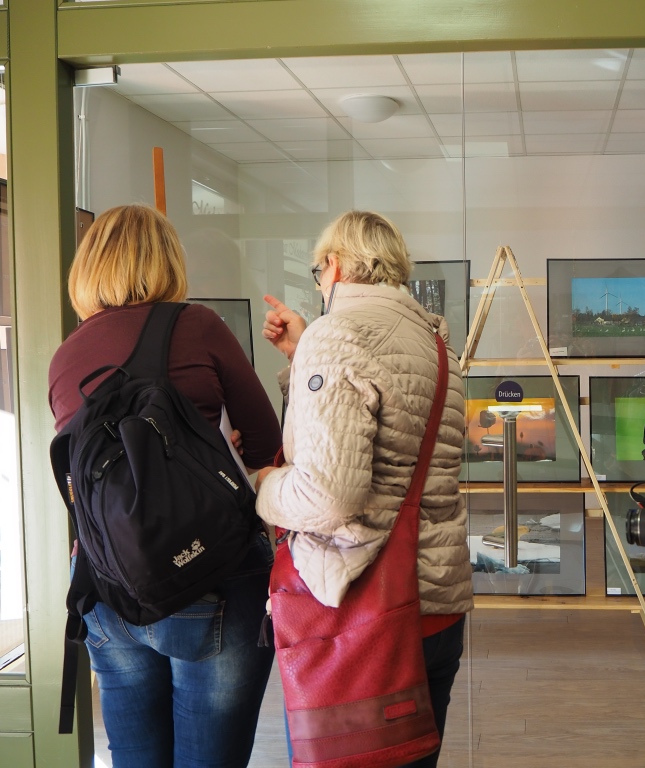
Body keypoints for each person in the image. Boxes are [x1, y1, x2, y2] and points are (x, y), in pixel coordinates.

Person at [48, 204, 283, 768]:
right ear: (167, 262)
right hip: (210, 570)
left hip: (107, 581)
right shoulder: (197, 325)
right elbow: (265, 444)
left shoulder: (65, 356)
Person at [255, 210, 473, 768]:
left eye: (317, 273)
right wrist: (300, 358)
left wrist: (263, 487)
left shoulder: (336, 335)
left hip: (362, 614)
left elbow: (329, 496)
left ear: (333, 266)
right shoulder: (437, 344)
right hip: (435, 604)